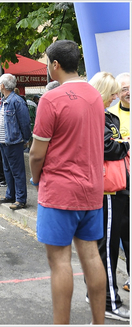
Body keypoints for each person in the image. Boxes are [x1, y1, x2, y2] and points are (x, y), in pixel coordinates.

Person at [29, 40, 106, 324]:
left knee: (60, 262)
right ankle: (99, 322)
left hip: (60, 189)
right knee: (91, 256)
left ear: (55, 65)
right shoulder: (95, 96)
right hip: (92, 189)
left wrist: (37, 179)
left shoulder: (52, 99)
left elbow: (37, 154)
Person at [88, 71, 130, 322]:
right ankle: (109, 301)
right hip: (109, 190)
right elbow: (108, 148)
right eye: (113, 92)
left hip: (109, 189)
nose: (116, 96)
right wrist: (125, 144)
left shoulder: (101, 115)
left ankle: (97, 295)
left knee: (103, 247)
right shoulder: (99, 117)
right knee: (108, 249)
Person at [109, 72, 130, 292]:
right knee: (125, 230)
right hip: (122, 182)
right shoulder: (110, 115)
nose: (128, 92)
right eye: (124, 88)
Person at [0, 73, 31, 210]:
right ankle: (10, 195)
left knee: (17, 171)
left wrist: (25, 139)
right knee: (7, 169)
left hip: (13, 141)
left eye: (0, 83)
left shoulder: (16, 101)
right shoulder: (5, 100)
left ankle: (21, 199)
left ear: (3, 86)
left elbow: (25, 122)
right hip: (4, 141)